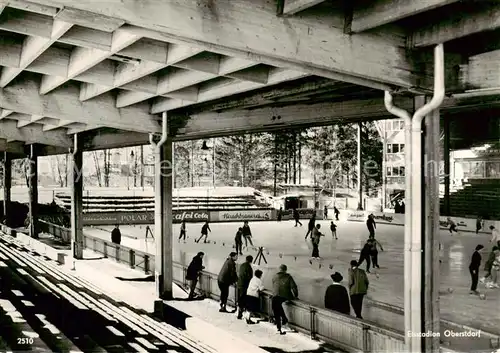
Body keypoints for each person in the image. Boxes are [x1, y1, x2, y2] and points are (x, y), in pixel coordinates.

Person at [272, 264, 298, 334]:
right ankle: (284, 320)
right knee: (278, 306)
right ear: (285, 270)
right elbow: (294, 287)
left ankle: (279, 326)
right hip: (285, 296)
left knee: (276, 308)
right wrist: (296, 295)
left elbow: (274, 285)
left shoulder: (275, 276)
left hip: (275, 295)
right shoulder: (288, 277)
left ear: (279, 269)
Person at [237, 255, 254, 319]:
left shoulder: (242, 265)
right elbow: (249, 277)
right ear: (251, 260)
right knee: (243, 299)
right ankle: (241, 314)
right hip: (244, 286)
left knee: (240, 299)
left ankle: (240, 312)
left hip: (239, 284)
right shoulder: (249, 267)